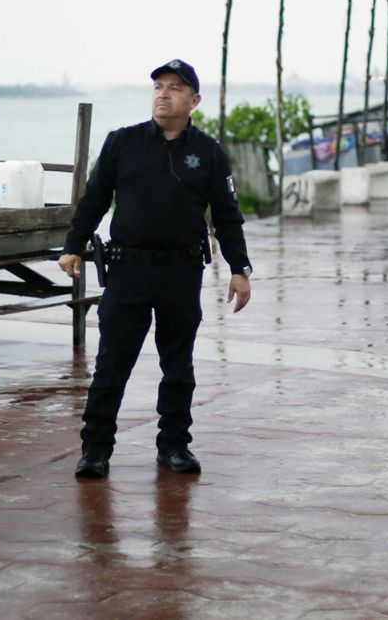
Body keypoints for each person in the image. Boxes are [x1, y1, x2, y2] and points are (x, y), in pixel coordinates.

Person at [58, 58, 252, 479]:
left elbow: (227, 214)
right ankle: (95, 450)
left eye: (175, 88)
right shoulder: (122, 143)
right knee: (112, 364)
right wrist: (72, 246)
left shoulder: (208, 152)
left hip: (181, 273)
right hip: (127, 270)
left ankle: (175, 446)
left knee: (178, 365)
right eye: (159, 87)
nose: (164, 94)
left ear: (194, 101)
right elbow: (93, 200)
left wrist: (240, 268)